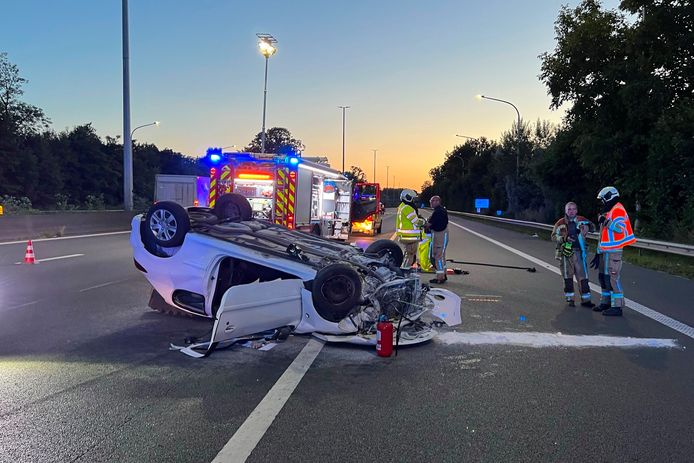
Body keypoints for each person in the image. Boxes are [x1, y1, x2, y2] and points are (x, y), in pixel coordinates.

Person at [590, 186, 636, 317]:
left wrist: (606, 221)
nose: (602, 203)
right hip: (606, 251)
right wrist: (598, 251)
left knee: (613, 279)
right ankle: (606, 302)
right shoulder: (610, 211)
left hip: (614, 251)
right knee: (603, 278)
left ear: (609, 197)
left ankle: (617, 307)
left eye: (603, 200)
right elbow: (603, 235)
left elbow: (620, 228)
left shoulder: (618, 210)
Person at [551, 202, 595, 308]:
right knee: (567, 276)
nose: (571, 211)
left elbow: (593, 227)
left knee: (583, 277)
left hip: (579, 253)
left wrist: (586, 227)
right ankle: (570, 299)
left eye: (574, 209)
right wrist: (564, 239)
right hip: (566, 253)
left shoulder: (581, 219)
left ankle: (586, 300)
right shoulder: (560, 223)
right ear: (565, 211)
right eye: (569, 209)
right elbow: (553, 237)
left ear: (577, 210)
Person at [396, 189, 424, 269]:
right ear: (408, 197)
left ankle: (404, 271)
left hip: (405, 236)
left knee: (408, 255)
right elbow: (416, 222)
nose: (414, 201)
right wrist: (424, 222)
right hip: (410, 237)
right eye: (412, 198)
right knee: (410, 256)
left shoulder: (402, 206)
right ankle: (405, 273)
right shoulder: (408, 208)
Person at [426, 195, 449, 284]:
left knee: (438, 257)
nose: (431, 203)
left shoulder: (438, 212)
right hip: (441, 234)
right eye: (430, 201)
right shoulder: (441, 210)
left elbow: (430, 224)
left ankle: (440, 277)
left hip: (440, 235)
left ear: (437, 201)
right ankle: (443, 274)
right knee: (441, 256)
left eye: (432, 201)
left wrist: (424, 224)